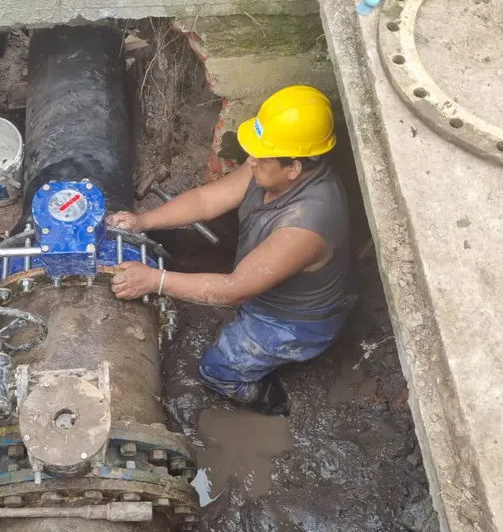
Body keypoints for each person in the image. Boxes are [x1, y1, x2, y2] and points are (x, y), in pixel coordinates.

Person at [109, 86, 355, 416]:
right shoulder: (272, 171)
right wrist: (143, 221)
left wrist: (154, 280)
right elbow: (206, 200)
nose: (250, 160)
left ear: (293, 167)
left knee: (217, 369)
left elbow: (235, 290)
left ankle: (273, 401)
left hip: (293, 321)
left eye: (262, 156)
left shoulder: (306, 225)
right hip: (261, 286)